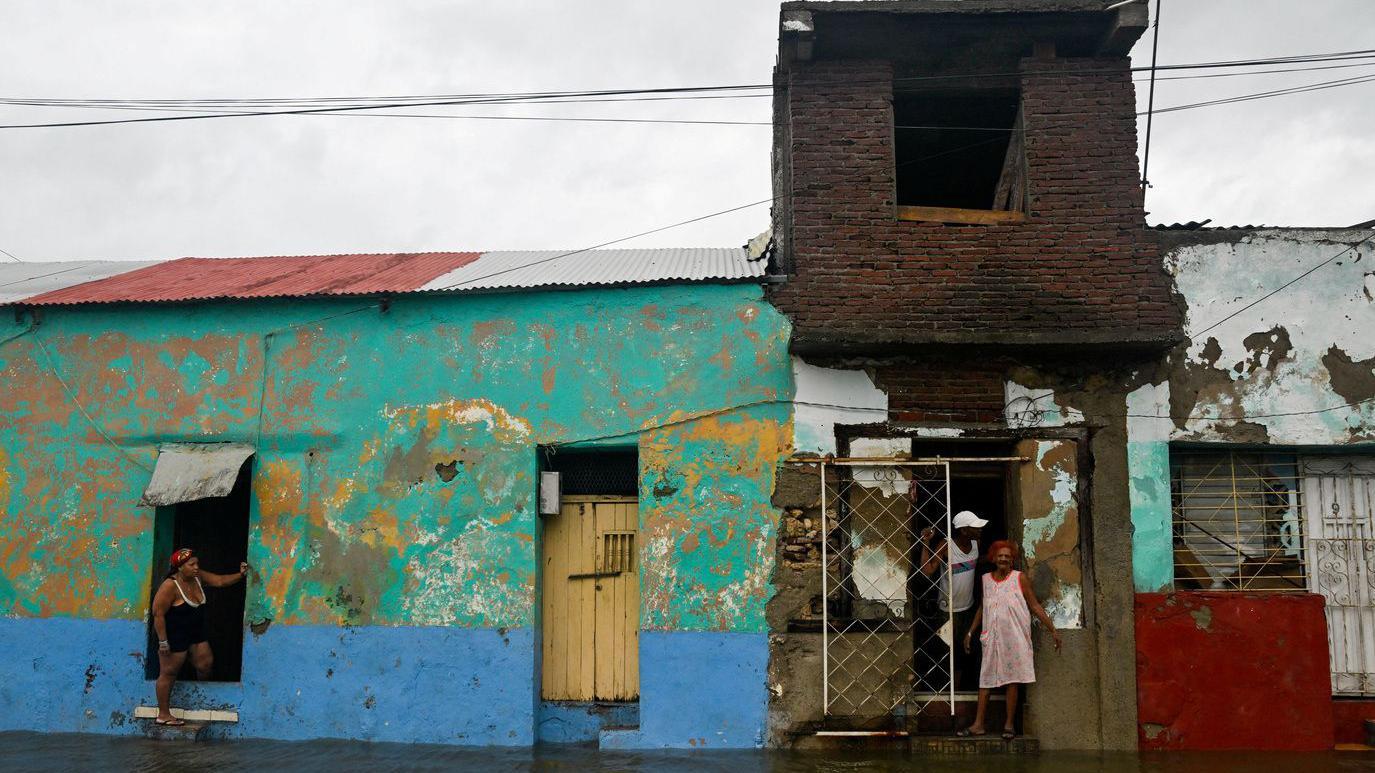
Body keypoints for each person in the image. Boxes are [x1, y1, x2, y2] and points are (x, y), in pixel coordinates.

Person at [958, 540, 1061, 740]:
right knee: (985, 680)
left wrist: (1053, 630)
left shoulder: (1019, 578)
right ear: (994, 558)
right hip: (992, 637)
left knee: (1012, 681)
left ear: (1012, 560)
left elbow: (1035, 605)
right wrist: (970, 631)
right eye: (1000, 555)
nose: (1003, 558)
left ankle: (1009, 725)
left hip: (1014, 638)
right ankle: (978, 724)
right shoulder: (986, 579)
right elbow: (982, 607)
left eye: (1007, 556)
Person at [151, 548, 250, 726]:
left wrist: (240, 575)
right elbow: (158, 614)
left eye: (197, 563)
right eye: (192, 564)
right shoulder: (170, 586)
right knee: (168, 673)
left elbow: (219, 581)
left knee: (205, 664)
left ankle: (202, 698)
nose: (196, 567)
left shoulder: (197, 576)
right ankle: (163, 714)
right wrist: (163, 642)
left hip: (196, 633)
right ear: (180, 567)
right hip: (175, 635)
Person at [919, 510, 987, 687]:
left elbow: (978, 564)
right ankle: (947, 690)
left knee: (968, 650)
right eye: (975, 527)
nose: (980, 530)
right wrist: (926, 542)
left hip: (969, 609)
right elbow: (927, 571)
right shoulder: (946, 545)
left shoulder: (977, 543)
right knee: (947, 652)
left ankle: (962, 688)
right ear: (964, 531)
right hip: (947, 611)